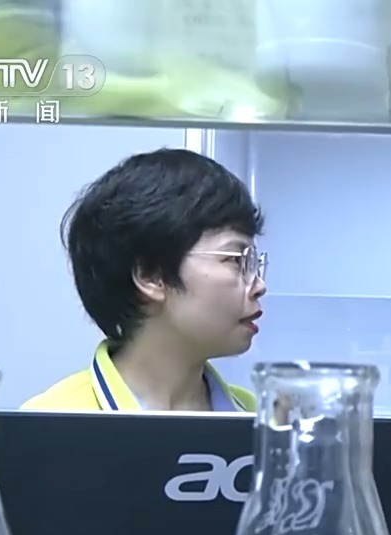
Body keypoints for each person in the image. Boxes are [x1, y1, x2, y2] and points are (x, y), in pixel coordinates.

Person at [23, 148, 268, 412]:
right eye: (235, 260)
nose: (259, 286)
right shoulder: (53, 419)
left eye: (254, 263)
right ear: (151, 275)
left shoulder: (258, 418)